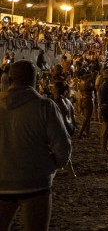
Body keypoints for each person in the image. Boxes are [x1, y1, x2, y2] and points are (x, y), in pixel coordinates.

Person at [0, 60, 72, 231]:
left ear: (9, 79)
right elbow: (62, 147)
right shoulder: (45, 106)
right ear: (35, 80)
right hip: (36, 182)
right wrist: (51, 166)